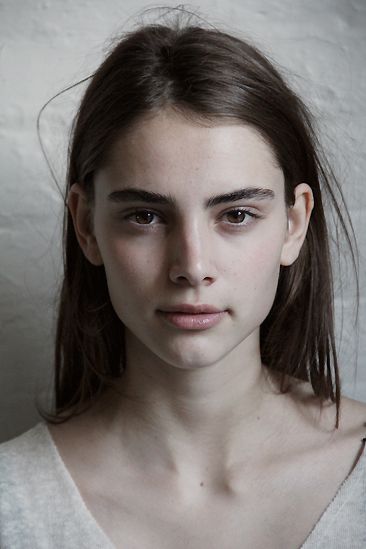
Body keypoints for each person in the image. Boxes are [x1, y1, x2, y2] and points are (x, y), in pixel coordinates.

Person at [1, 8, 365, 549]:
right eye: (145, 216)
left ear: (294, 225)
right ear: (86, 226)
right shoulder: (14, 503)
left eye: (236, 215)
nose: (192, 267)